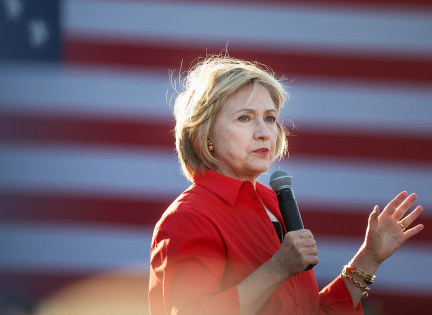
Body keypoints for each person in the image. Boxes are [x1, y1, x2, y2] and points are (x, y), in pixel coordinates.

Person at [148, 55, 424, 315]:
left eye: (269, 118)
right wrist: (277, 269)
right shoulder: (189, 216)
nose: (264, 132)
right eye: (244, 118)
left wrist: (369, 257)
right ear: (204, 134)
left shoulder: (272, 201)